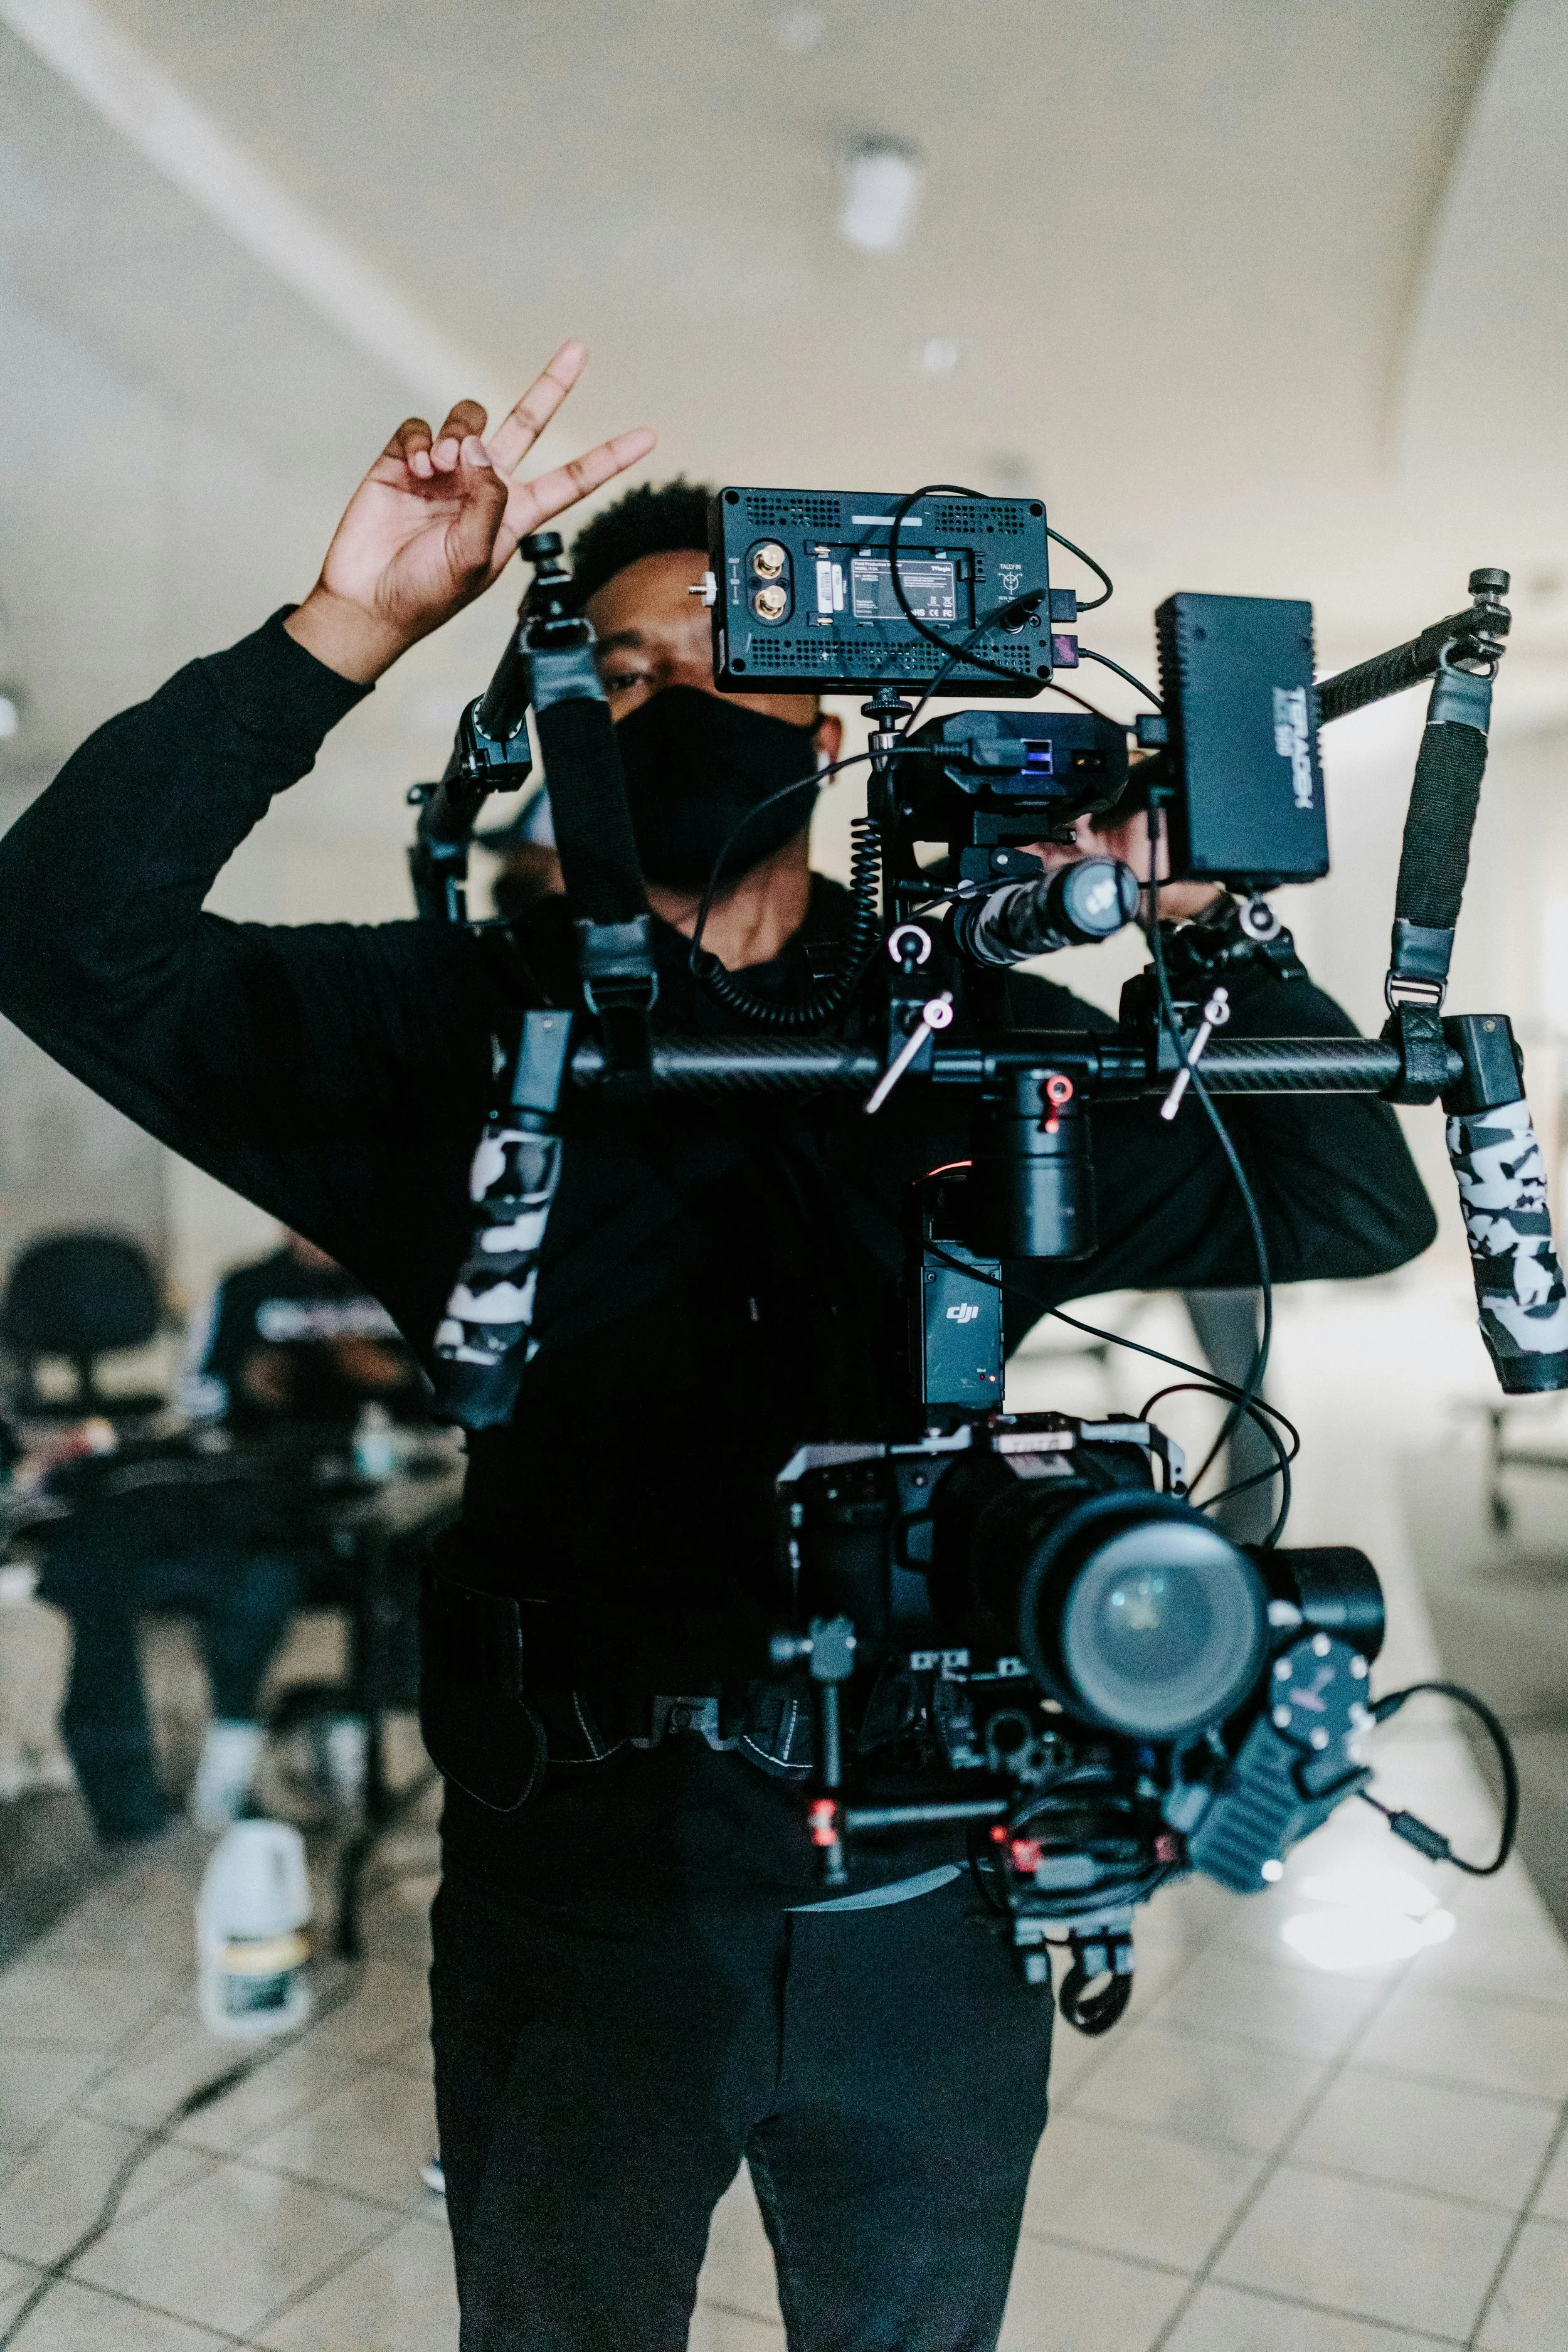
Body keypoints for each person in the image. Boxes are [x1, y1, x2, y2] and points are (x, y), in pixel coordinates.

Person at [0, 342, 1435, 2351]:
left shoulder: (973, 1036)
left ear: (823, 713)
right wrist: (349, 628)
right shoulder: (439, 1032)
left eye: (715, 665)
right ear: (561, 716)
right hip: (579, 1895)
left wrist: (1198, 914)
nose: (669, 706)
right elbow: (58, 934)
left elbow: (1354, 1209)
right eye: (626, 674)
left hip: (931, 1892)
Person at [35, 1230, 425, 1840]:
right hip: (264, 1479)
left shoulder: (404, 1286)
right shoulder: (247, 1287)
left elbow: (454, 1395)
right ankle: (231, 1749)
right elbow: (200, 1400)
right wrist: (249, 1384)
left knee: (415, 1563)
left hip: (389, 1470)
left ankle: (349, 1741)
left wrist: (393, 1377)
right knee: (256, 1569)